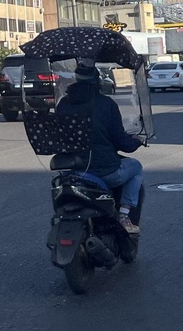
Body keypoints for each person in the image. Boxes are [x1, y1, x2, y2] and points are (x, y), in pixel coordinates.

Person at [55, 59, 144, 234]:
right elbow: (121, 142)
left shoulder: (63, 104)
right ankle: (124, 215)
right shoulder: (106, 104)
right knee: (136, 167)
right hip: (104, 171)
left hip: (72, 170)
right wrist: (136, 141)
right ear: (97, 81)